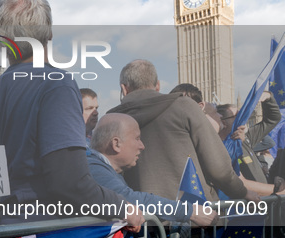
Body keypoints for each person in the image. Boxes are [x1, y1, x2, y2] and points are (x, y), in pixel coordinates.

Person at [0, 0, 143, 229]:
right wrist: (123, 207)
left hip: (8, 227)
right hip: (47, 235)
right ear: (48, 33)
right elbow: (70, 182)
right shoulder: (55, 84)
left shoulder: (0, 92)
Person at [109, 59, 258, 202]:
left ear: (123, 88)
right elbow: (219, 168)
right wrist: (242, 192)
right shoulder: (184, 106)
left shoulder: (111, 119)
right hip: (195, 215)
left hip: (141, 219)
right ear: (158, 86)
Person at [88, 113, 217, 226]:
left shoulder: (102, 167)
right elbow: (129, 199)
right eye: (137, 138)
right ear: (116, 144)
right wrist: (190, 212)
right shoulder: (93, 168)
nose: (142, 146)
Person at [217, 92, 280, 183]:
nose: (243, 119)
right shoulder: (217, 147)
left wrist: (268, 98)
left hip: (264, 195)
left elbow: (272, 120)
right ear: (224, 123)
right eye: (237, 116)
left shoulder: (247, 138)